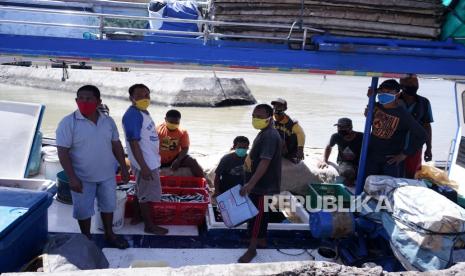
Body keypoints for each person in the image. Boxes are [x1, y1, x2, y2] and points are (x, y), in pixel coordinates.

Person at [56, 85, 130, 249]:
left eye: (88, 98)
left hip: (107, 175)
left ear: (98, 101)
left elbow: (116, 144)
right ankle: (86, 238)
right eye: (80, 98)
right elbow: (62, 152)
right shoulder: (68, 123)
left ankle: (109, 234)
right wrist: (72, 177)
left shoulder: (108, 121)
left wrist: (124, 168)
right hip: (82, 177)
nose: (83, 101)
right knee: (83, 210)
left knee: (109, 205)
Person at [122, 83, 168, 235]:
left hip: (150, 161)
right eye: (140, 95)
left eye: (147, 95)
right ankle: (149, 226)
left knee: (141, 190)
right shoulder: (132, 115)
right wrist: (144, 166)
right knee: (146, 196)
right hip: (145, 163)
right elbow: (134, 143)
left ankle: (137, 217)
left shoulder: (143, 112)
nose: (144, 98)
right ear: (131, 98)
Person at [238, 104, 282, 263]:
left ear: (270, 118)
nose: (256, 119)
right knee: (258, 214)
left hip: (263, 184)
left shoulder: (270, 135)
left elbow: (265, 162)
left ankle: (252, 248)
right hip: (257, 183)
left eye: (260, 116)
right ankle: (260, 239)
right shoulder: (263, 132)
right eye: (254, 116)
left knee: (259, 215)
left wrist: (250, 184)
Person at [365, 79, 427, 180]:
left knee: (389, 189)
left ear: (397, 95)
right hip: (372, 156)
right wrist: (371, 98)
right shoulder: (375, 106)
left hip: (391, 160)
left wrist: (404, 154)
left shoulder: (402, 114)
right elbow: (374, 123)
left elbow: (422, 135)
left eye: (389, 92)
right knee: (368, 184)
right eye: (382, 91)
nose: (384, 94)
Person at [399, 74, 434, 178]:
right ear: (401, 85)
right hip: (395, 147)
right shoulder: (394, 100)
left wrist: (429, 148)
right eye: (409, 83)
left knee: (411, 175)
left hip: (415, 147)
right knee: (393, 174)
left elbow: (427, 126)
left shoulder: (424, 102)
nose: (413, 86)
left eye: (416, 83)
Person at [157, 109, 204, 177]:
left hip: (174, 158)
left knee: (192, 161)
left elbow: (185, 148)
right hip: (158, 159)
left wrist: (178, 160)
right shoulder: (157, 130)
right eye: (171, 122)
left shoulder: (182, 132)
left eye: (176, 123)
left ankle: (204, 181)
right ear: (165, 119)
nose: (173, 124)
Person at [320, 118, 363, 186]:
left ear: (350, 127)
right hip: (344, 162)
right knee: (348, 172)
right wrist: (325, 160)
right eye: (338, 127)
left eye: (343, 127)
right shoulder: (336, 136)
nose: (340, 129)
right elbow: (329, 147)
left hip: (360, 162)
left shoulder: (361, 136)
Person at [271, 98, 306, 162]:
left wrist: (300, 150)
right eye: (275, 105)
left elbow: (301, 134)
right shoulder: (270, 119)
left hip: (287, 148)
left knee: (295, 136)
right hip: (275, 145)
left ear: (285, 109)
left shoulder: (292, 122)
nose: (276, 107)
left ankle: (292, 156)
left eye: (279, 106)